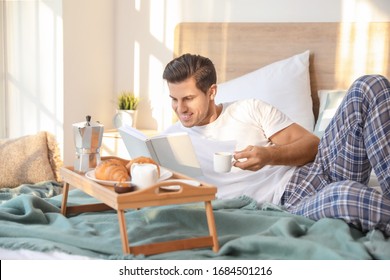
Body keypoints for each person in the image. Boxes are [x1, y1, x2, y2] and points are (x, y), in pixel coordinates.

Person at [162, 53, 390, 237]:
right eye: (174, 99)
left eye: (188, 98)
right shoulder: (169, 141)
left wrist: (269, 156)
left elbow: (311, 144)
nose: (180, 108)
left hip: (318, 169)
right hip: (289, 204)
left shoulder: (249, 108)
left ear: (211, 92)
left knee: (370, 85)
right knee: (348, 195)